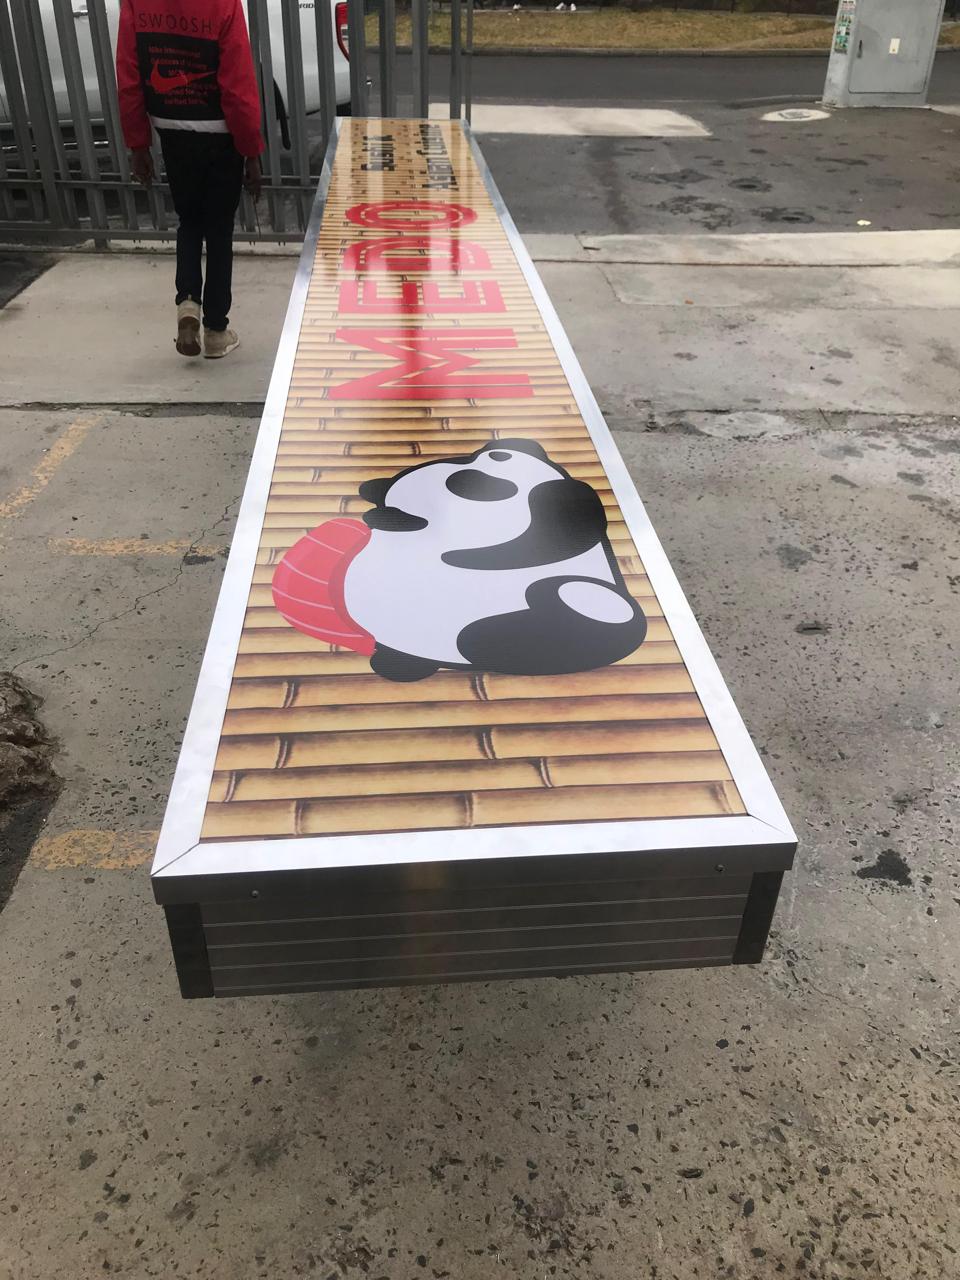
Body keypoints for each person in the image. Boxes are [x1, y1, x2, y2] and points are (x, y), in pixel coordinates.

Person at [116, 0, 264, 359]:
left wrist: (138, 145)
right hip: (220, 133)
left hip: (171, 128)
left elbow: (129, 75)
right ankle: (216, 331)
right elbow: (237, 83)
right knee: (219, 230)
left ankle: (187, 302)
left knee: (189, 221)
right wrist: (251, 150)